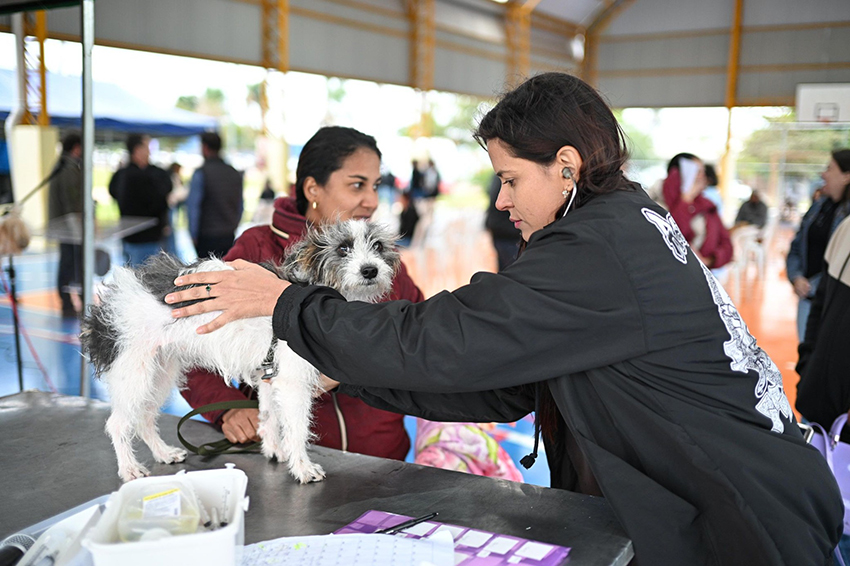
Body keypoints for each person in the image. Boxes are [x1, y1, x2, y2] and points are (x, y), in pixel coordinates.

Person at [166, 73, 842, 565]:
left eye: (512, 179)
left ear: (566, 167)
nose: (501, 199)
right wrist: (346, 372)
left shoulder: (598, 248)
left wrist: (285, 305)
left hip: (742, 520)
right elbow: (501, 381)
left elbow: (446, 340)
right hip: (737, 496)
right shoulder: (623, 221)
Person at [179, 126, 424, 462]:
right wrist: (228, 408)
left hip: (382, 456)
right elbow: (191, 335)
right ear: (312, 188)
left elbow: (417, 335)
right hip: (280, 451)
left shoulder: (380, 259)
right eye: (357, 185)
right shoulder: (257, 248)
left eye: (375, 185)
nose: (372, 200)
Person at [795, 152, 850, 427]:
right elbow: (819, 308)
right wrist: (807, 366)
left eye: (830, 168)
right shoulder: (844, 229)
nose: (823, 174)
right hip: (818, 394)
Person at [786, 149, 850, 341]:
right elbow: (796, 246)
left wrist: (814, 285)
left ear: (846, 177)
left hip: (835, 303)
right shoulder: (819, 207)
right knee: (806, 352)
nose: (823, 174)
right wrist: (796, 277)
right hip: (808, 298)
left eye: (830, 169)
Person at [108, 133, 172, 267]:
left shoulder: (123, 174)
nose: (149, 152)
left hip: (140, 235)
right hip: (142, 236)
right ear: (137, 150)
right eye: (147, 147)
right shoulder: (133, 175)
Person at [662, 152, 733, 270]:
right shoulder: (657, 205)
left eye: (702, 172)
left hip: (704, 274)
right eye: (697, 171)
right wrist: (686, 200)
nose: (701, 177)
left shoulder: (707, 206)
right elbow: (674, 237)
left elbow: (727, 244)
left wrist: (709, 260)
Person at [187, 132, 244, 259]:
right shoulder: (234, 172)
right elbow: (240, 205)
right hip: (228, 233)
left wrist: (193, 234)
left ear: (205, 147)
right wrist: (234, 225)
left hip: (206, 235)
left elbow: (194, 207)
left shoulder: (201, 173)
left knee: (205, 269)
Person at [47, 131, 83, 317]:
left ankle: (69, 301)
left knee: (68, 264)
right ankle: (68, 302)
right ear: (77, 148)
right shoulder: (68, 169)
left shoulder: (62, 165)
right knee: (70, 265)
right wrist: (78, 232)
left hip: (65, 227)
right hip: (69, 229)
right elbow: (71, 204)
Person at [484, 174, 518, 270]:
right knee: (511, 268)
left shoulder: (499, 175)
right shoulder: (505, 174)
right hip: (506, 231)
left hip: (500, 228)